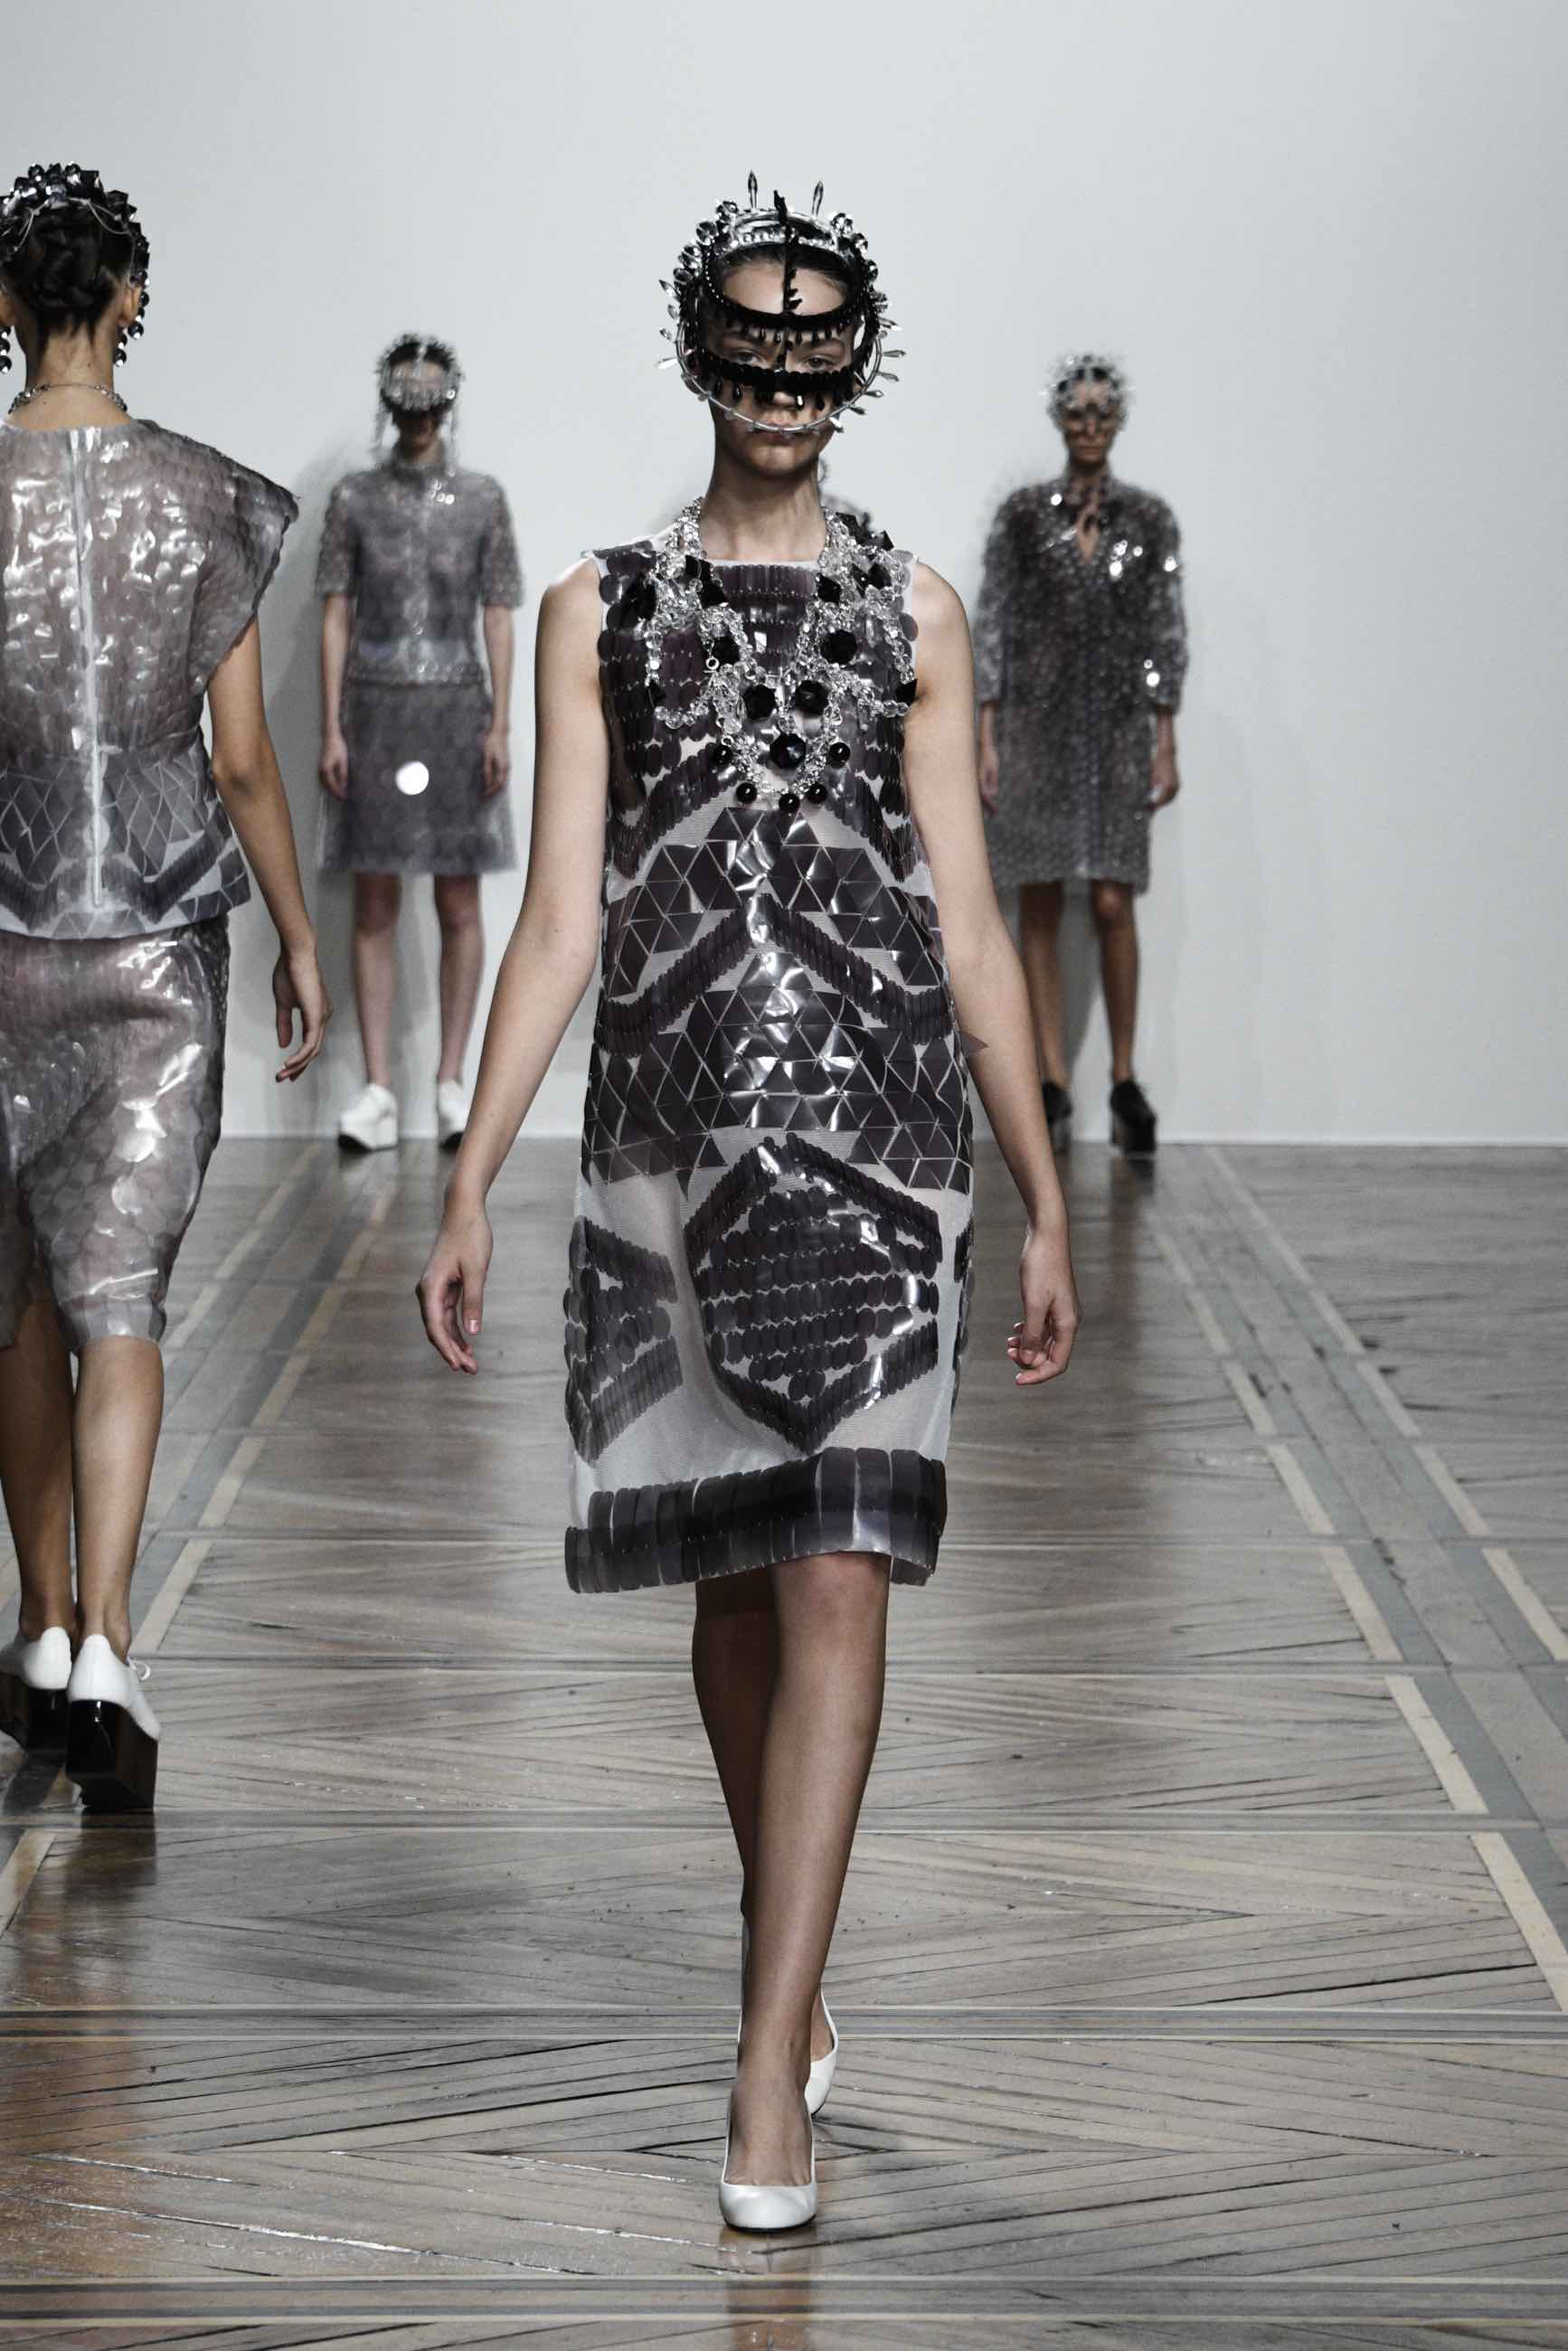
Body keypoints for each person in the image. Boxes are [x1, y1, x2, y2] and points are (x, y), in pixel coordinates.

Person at [416, 180, 1079, 2229]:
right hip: (667, 1154)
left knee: (837, 1572)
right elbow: (557, 922)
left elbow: (966, 924)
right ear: (701, 354)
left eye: (815, 346)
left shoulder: (916, 615)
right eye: (751, 343)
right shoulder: (597, 607)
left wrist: (1042, 1192)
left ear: (853, 364)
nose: (782, 382)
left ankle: (761, 2057)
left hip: (884, 1154)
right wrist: (465, 1177)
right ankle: (782, 1951)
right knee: (727, 1589)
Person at [0, 163, 329, 1808]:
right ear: (130, 296)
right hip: (156, 944)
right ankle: (113, 1640)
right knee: (118, 1299)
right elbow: (245, 760)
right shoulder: (208, 500)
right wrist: (302, 941)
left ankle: (41, 1623)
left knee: (16, 1301)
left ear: (6, 303)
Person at [974, 354, 1187, 1157]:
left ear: (1119, 420)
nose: (1089, 425)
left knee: (1110, 898)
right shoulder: (1024, 516)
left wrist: (1165, 734)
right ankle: (1051, 1077)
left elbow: (1164, 627)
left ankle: (1125, 1075)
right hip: (1035, 723)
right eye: (1077, 412)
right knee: (1036, 897)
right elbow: (995, 619)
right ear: (1059, 419)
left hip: (1119, 725)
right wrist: (987, 731)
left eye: (1102, 413)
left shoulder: (1150, 519)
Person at [317, 336, 523, 1151]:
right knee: (375, 899)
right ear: (389, 406)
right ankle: (377, 1089)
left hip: (456, 710)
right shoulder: (353, 499)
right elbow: (336, 612)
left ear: (449, 403)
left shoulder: (482, 499)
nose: (420, 418)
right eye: (407, 405)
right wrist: (330, 726)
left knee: (458, 900)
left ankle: (451, 1083)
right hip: (372, 710)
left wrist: (500, 722)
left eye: (431, 404)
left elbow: (499, 614)